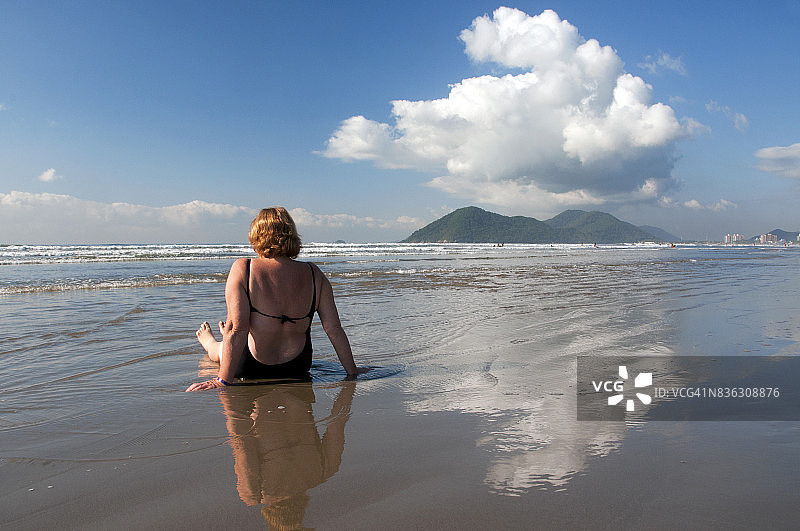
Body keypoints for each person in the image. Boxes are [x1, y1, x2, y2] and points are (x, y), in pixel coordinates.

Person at [186, 207, 364, 392]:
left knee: (222, 348)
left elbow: (237, 329)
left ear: (257, 235)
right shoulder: (314, 274)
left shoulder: (244, 268)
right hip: (297, 366)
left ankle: (210, 342)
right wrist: (352, 371)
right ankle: (223, 339)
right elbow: (334, 329)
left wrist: (222, 381)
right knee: (234, 335)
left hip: (249, 365)